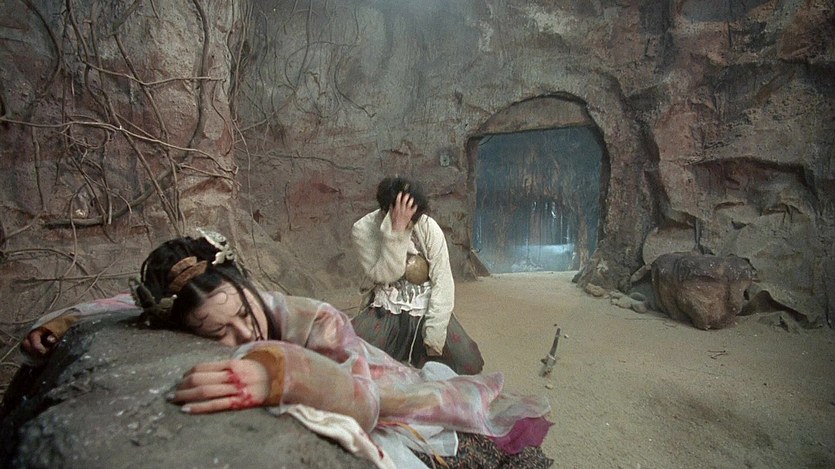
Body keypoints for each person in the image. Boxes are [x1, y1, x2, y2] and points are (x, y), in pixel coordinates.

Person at [14, 229, 553, 468]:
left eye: (242, 312)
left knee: (458, 414)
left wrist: (281, 372)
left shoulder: (313, 317)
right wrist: (67, 319)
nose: (243, 334)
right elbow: (126, 306)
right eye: (217, 333)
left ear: (245, 285)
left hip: (382, 384)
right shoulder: (190, 309)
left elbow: (365, 400)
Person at [351, 177, 484, 375]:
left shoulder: (428, 226)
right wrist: (396, 232)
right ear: (386, 209)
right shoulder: (363, 230)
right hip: (386, 307)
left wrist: (434, 335)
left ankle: (418, 352)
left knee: (469, 363)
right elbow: (387, 275)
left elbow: (443, 282)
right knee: (348, 358)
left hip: (424, 306)